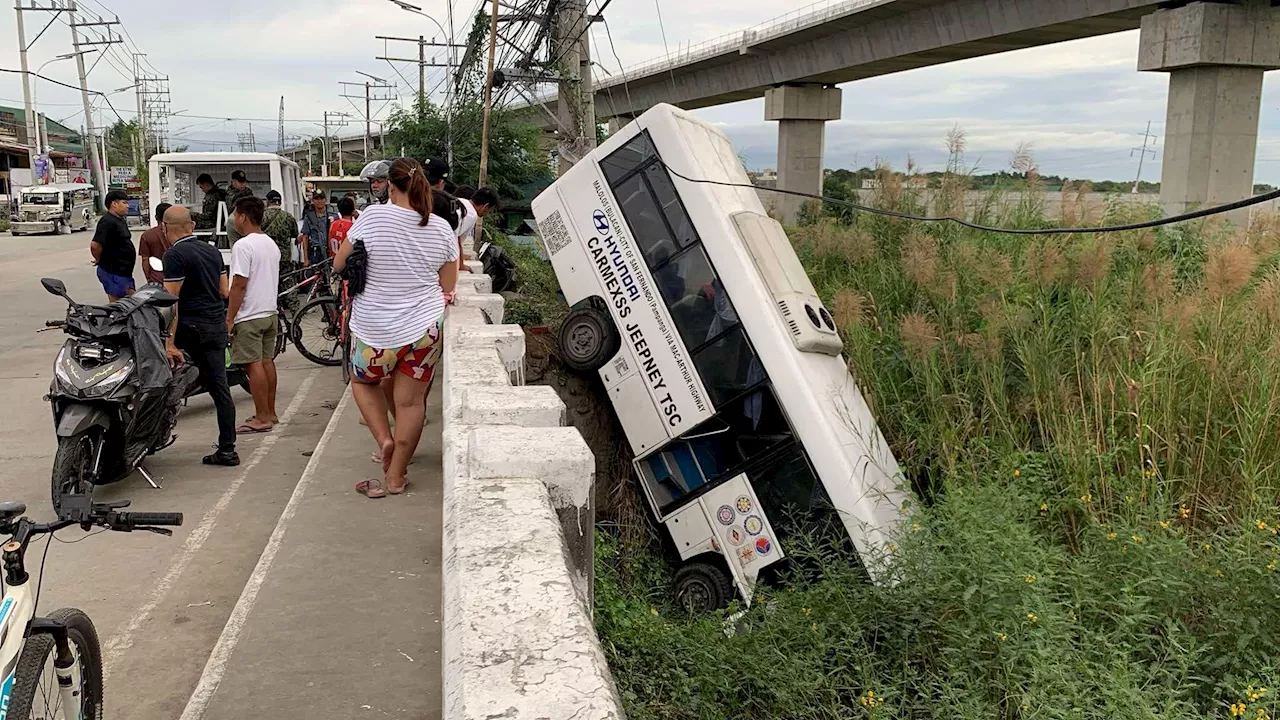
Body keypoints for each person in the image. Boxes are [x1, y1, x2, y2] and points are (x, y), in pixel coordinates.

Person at [334, 157, 458, 499]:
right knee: (411, 404)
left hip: (374, 329)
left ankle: (383, 439)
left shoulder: (371, 217)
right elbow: (448, 284)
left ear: (389, 184)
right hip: (423, 330)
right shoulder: (441, 228)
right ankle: (396, 476)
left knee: (363, 382)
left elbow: (339, 263)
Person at [160, 206, 238, 466]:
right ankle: (228, 449)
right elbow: (224, 290)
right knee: (220, 390)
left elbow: (171, 302)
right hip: (215, 325)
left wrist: (169, 342)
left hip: (190, 329)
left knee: (159, 378)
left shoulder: (174, 255)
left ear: (164, 227)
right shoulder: (212, 251)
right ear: (191, 226)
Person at [226, 196, 281, 435]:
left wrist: (229, 318)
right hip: (270, 311)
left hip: (250, 314)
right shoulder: (270, 243)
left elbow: (238, 283)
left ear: (243, 217)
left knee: (253, 365)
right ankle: (270, 412)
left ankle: (261, 417)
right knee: (267, 362)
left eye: (235, 215)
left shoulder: (243, 245)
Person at [91, 189, 136, 301]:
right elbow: (95, 245)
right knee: (118, 305)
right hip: (113, 271)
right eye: (124, 203)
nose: (127, 206)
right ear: (114, 204)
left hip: (124, 272)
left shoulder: (119, 220)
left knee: (132, 301)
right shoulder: (107, 222)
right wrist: (98, 259)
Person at [262, 190, 300, 295]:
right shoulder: (288, 216)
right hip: (284, 256)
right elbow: (294, 234)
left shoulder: (262, 216)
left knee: (268, 284)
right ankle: (295, 308)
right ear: (280, 202)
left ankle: (274, 306)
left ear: (268, 202)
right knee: (288, 283)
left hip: (267, 256)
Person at [138, 202, 173, 285]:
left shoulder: (147, 235)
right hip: (176, 277)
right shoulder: (177, 233)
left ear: (156, 217)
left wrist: (148, 278)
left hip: (156, 278)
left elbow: (145, 260)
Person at [298, 191, 337, 266]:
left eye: (321, 198)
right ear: (313, 200)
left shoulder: (333, 216)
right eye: (316, 199)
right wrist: (306, 259)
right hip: (315, 252)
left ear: (325, 200)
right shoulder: (309, 217)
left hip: (331, 251)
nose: (319, 201)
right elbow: (305, 237)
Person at [226, 170, 254, 243]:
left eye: (244, 182)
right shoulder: (230, 194)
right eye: (240, 182)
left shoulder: (247, 191)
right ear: (234, 182)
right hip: (235, 220)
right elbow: (231, 208)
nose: (243, 184)